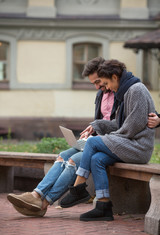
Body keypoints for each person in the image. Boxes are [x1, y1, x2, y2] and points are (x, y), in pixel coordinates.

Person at [7, 57, 115, 217]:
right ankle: (36, 195)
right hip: (96, 140)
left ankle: (43, 205)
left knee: (72, 161)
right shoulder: (101, 94)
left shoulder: (119, 92)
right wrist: (91, 131)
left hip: (109, 144)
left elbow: (119, 123)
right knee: (63, 156)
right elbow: (102, 120)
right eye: (93, 83)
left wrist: (97, 128)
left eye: (98, 81)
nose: (97, 86)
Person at [60, 59, 156, 222]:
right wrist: (96, 125)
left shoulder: (136, 90)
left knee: (92, 142)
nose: (107, 88)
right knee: (97, 159)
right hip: (128, 144)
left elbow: (134, 126)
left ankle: (78, 188)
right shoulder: (124, 92)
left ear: (114, 77)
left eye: (106, 83)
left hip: (139, 148)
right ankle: (103, 207)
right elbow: (119, 125)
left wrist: (106, 139)